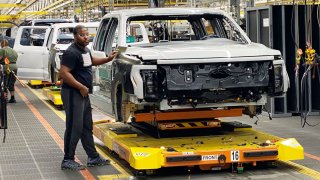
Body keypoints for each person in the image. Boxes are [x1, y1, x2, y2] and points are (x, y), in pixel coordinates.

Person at [59, 25, 117, 170]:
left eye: (87, 35)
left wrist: (108, 58)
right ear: (75, 36)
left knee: (86, 126)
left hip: (83, 94)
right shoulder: (71, 52)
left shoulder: (85, 50)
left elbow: (91, 61)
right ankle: (67, 159)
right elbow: (64, 73)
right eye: (82, 35)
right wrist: (80, 87)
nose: (86, 37)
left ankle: (93, 157)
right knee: (74, 127)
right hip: (73, 93)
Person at [0, 39, 18, 103]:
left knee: (4, 82)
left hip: (6, 67)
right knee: (11, 83)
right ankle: (13, 98)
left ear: (2, 44)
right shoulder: (14, 51)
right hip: (14, 67)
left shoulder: (2, 50)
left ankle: (5, 97)